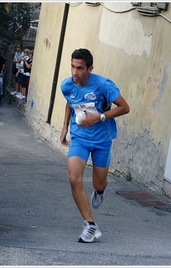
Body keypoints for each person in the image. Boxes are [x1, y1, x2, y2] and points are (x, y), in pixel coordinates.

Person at [60, 48, 130, 243]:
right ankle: (90, 225)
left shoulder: (103, 85)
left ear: (90, 68)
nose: (75, 72)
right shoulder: (67, 85)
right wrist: (65, 126)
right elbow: (69, 102)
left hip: (102, 139)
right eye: (73, 67)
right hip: (80, 138)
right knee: (74, 178)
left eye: (80, 68)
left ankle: (99, 190)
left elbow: (125, 107)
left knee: (99, 183)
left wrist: (98, 117)